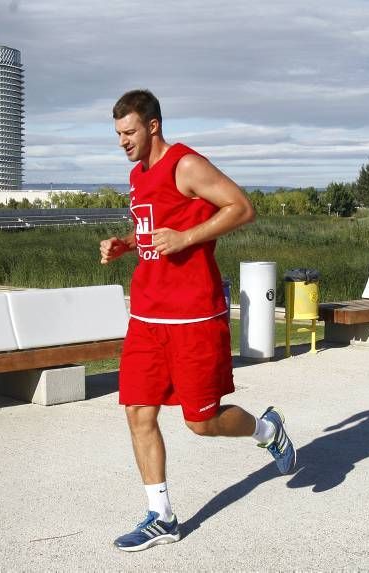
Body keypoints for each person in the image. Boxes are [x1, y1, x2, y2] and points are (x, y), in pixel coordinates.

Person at [100, 89, 297, 552]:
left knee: (201, 422)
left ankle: (267, 429)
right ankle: (161, 516)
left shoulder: (186, 164)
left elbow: (242, 208)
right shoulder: (137, 174)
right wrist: (125, 244)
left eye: (129, 132)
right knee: (137, 412)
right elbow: (152, 228)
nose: (123, 142)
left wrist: (187, 237)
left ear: (152, 126)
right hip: (148, 313)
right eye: (117, 135)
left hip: (193, 315)